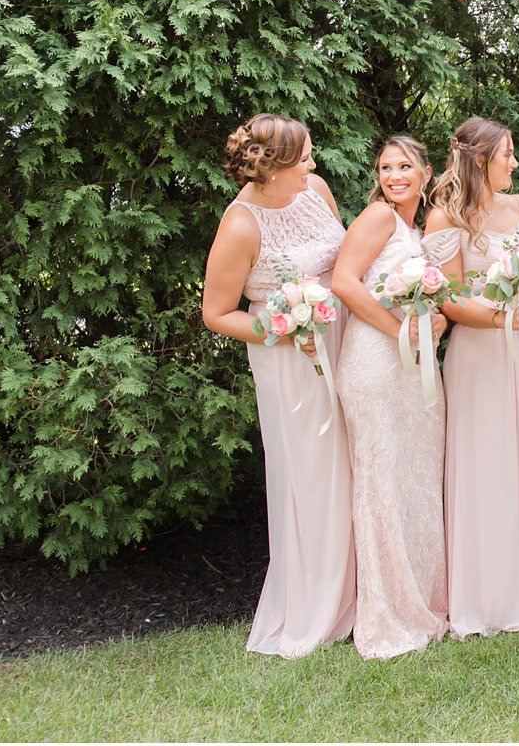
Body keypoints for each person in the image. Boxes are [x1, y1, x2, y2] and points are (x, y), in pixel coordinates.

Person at [201, 113, 354, 657]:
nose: (313, 163)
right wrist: (283, 330)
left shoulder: (316, 191)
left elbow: (343, 265)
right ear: (274, 167)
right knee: (309, 472)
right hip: (288, 359)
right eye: (305, 156)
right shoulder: (242, 224)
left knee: (354, 460)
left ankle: (360, 595)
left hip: (343, 342)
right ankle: (316, 600)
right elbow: (217, 313)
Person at [423, 118, 519, 636]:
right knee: (488, 465)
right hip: (482, 353)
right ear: (481, 159)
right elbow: (451, 298)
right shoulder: (445, 219)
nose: (516, 163)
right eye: (508, 154)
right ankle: (487, 599)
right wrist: (507, 317)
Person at [331, 136, 449, 658]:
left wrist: (432, 325)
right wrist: (400, 331)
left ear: (427, 172)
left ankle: (421, 597)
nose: (394, 175)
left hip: (413, 364)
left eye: (405, 166)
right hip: (376, 363)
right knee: (383, 481)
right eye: (385, 166)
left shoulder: (419, 229)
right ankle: (387, 612)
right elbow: (344, 283)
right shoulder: (378, 217)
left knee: (415, 477)